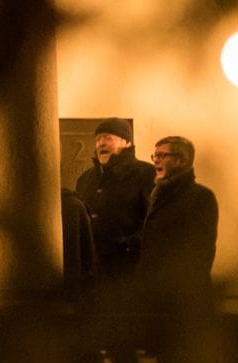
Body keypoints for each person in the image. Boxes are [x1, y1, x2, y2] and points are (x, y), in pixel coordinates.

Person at [75, 118, 157, 285]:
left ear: (126, 142)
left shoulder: (146, 173)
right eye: (98, 139)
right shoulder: (85, 179)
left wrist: (131, 248)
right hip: (92, 272)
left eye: (107, 138)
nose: (100, 144)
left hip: (129, 272)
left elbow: (153, 219)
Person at [140, 135, 219, 298]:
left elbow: (200, 252)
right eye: (155, 156)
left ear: (181, 160)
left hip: (183, 296)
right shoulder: (157, 195)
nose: (156, 161)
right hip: (155, 293)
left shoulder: (200, 197)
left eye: (162, 155)